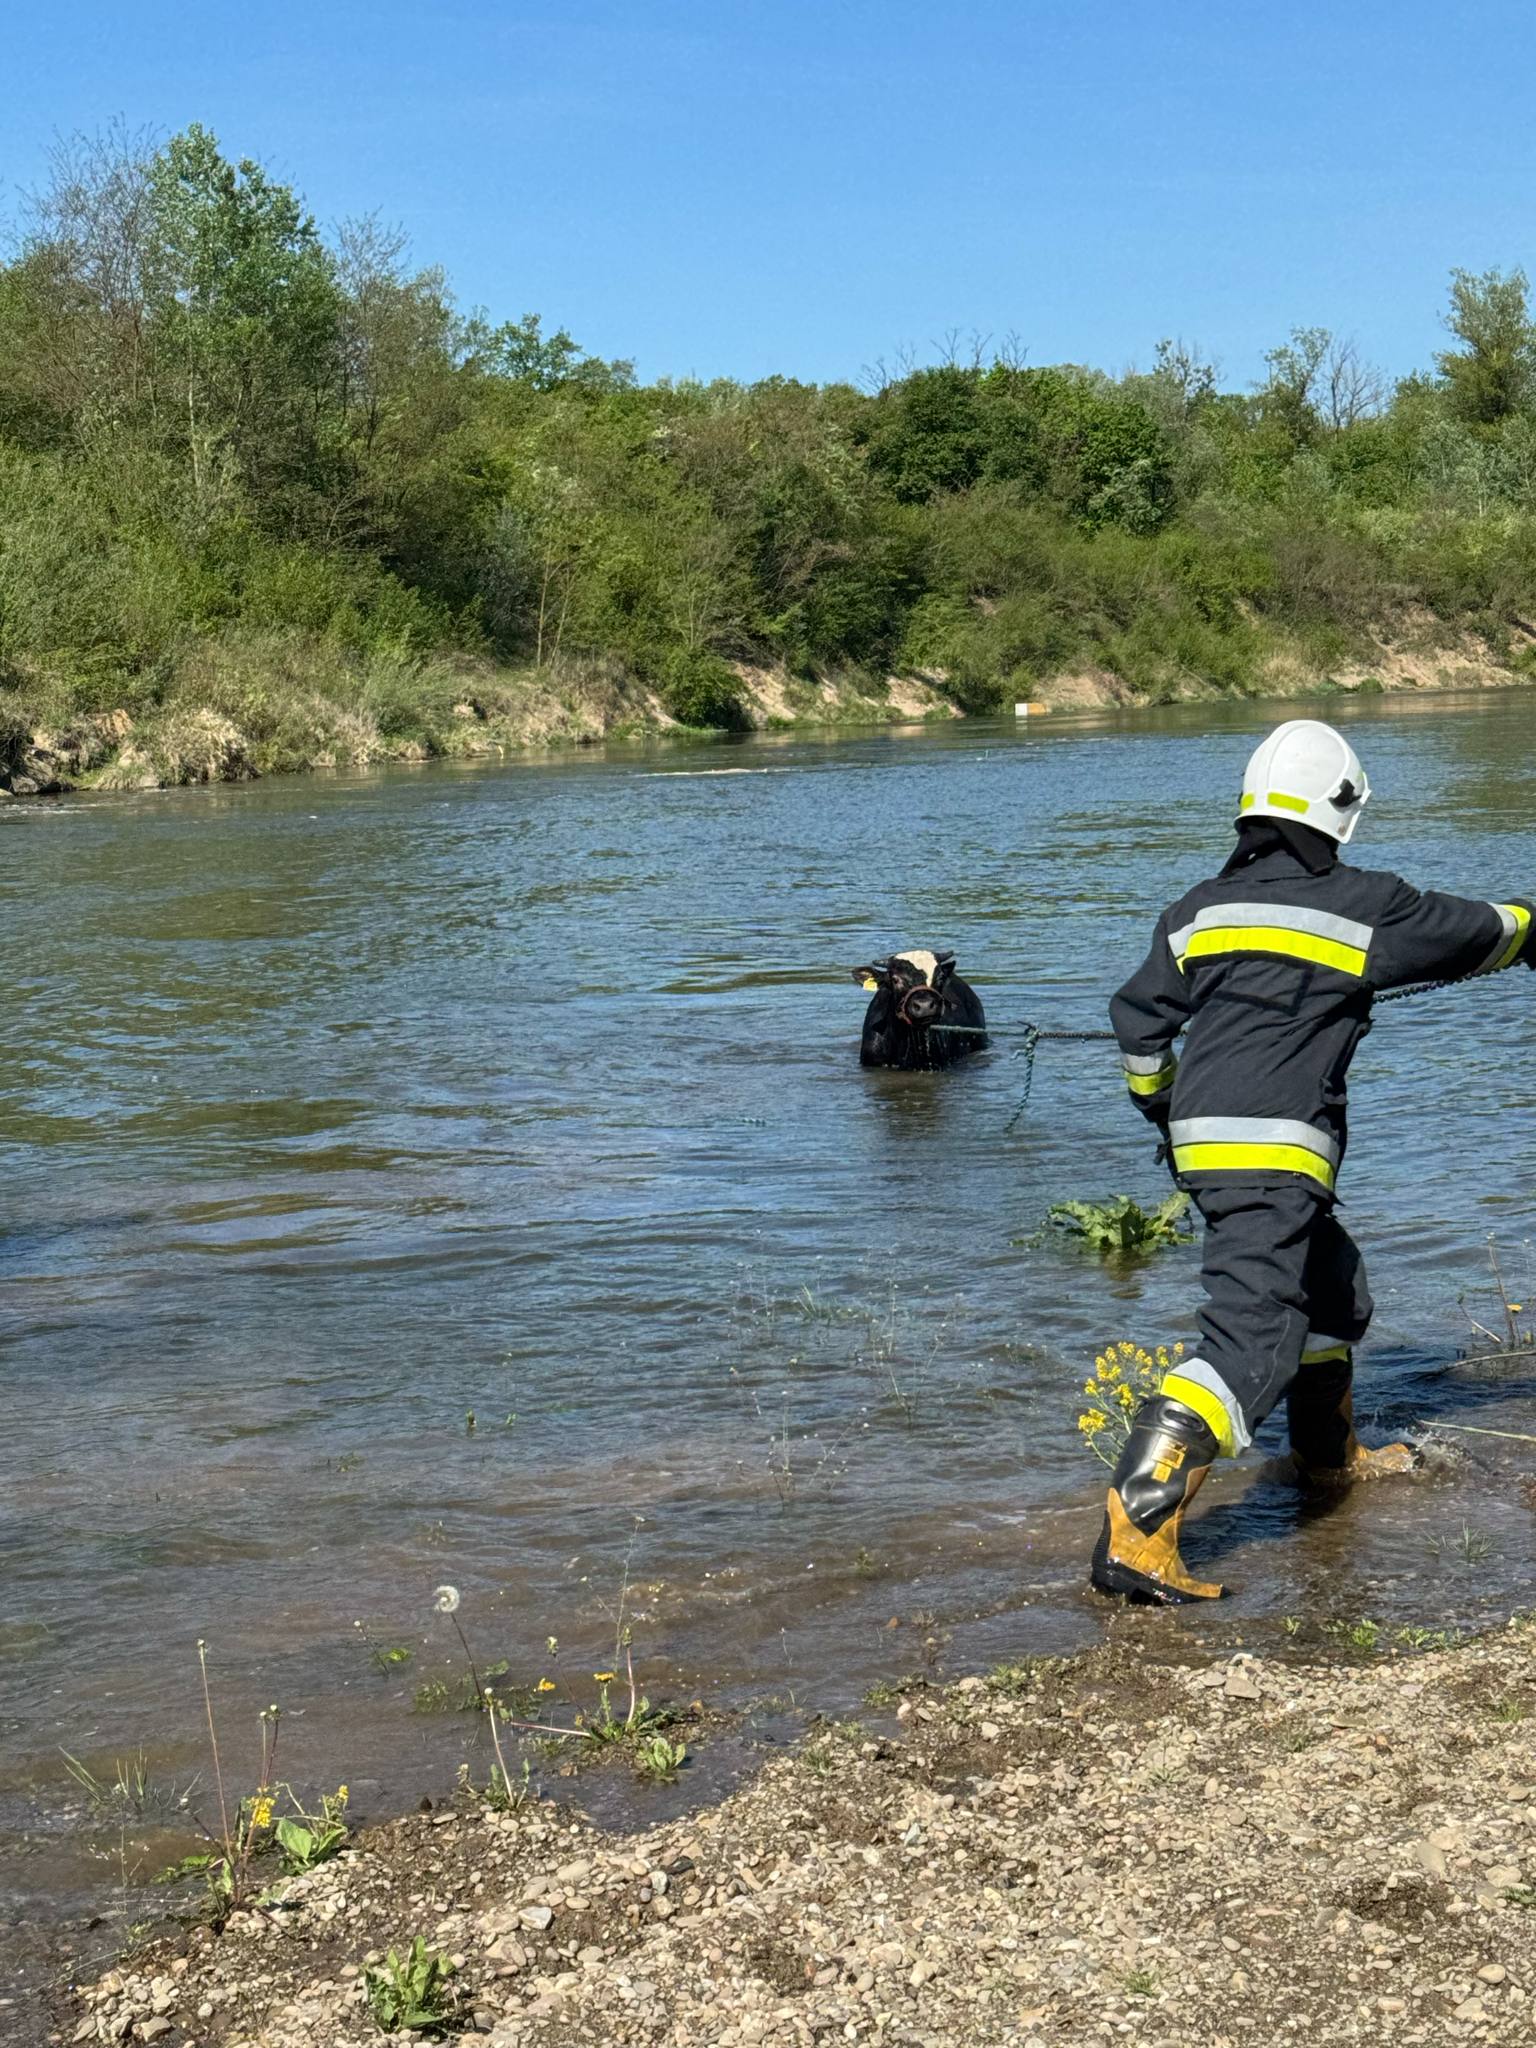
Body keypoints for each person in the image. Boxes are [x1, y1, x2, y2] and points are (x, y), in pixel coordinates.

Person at [1094, 718, 1533, 1604]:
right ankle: (1136, 1537)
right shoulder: (1367, 905)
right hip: (1276, 1147)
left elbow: (1137, 1022)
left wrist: (1164, 1109)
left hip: (1204, 1144)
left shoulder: (1197, 911)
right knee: (1254, 1340)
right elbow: (1491, 929)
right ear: (1342, 809)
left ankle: (1325, 1464)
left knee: (1332, 1289)